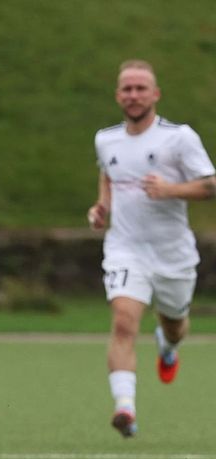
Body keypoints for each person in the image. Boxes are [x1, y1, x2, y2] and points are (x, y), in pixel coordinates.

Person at [87, 59, 215, 438]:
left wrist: (171, 190)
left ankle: (168, 344)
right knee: (124, 320)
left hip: (173, 253)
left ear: (155, 94)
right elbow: (108, 175)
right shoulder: (106, 138)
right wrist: (102, 208)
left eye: (141, 88)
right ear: (117, 95)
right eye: (127, 88)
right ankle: (125, 409)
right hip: (125, 248)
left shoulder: (179, 138)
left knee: (175, 324)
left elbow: (209, 185)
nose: (133, 94)